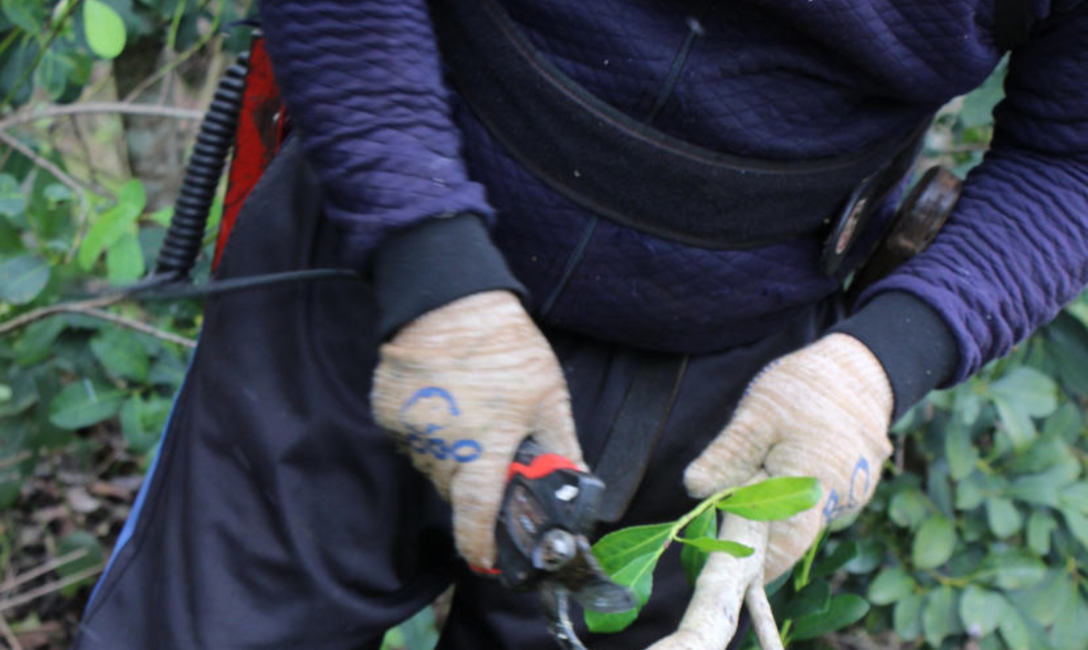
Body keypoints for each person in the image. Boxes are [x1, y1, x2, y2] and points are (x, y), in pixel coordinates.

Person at [74, 1, 1088, 648]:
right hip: (373, 231)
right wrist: (426, 259)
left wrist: (879, 364)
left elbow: (1070, 152)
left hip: (736, 388)